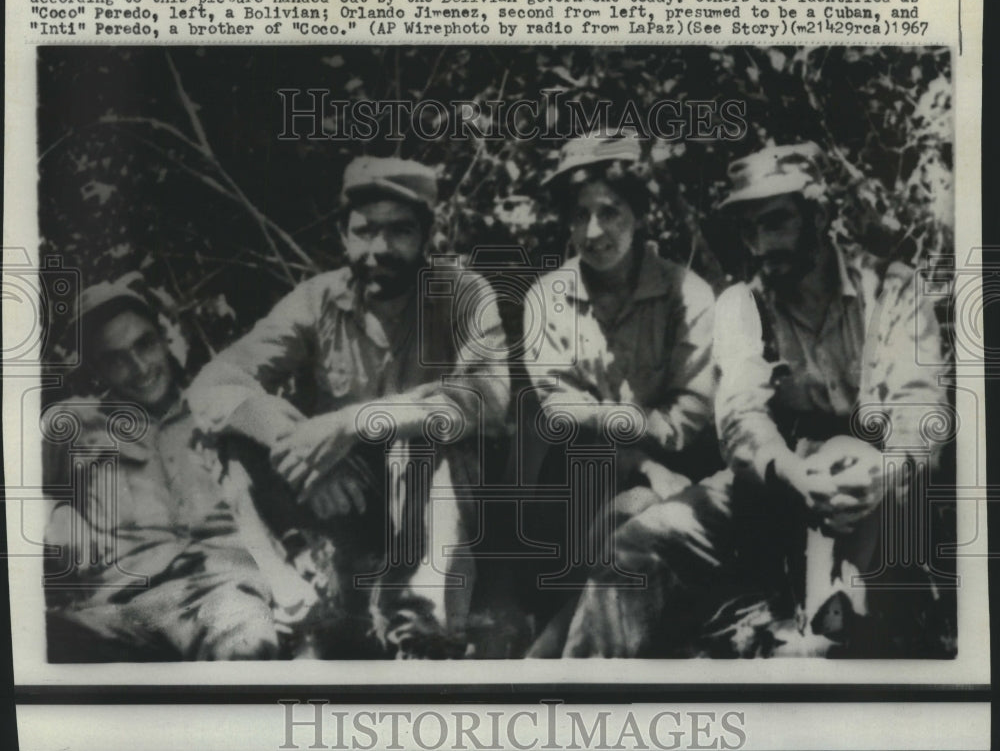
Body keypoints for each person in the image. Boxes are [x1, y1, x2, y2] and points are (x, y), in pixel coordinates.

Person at [564, 142, 952, 658]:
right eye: (748, 230)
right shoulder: (742, 304)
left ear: (821, 214)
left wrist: (886, 470)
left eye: (775, 222)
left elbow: (919, 407)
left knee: (838, 610)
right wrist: (791, 472)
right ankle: (582, 706)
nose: (761, 244)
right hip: (778, 486)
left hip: (880, 496)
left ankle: (830, 639)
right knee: (638, 545)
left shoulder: (893, 291)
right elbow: (742, 416)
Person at [187, 156, 510, 658]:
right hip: (346, 502)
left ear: (427, 236)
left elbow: (488, 396)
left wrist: (354, 422)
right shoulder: (317, 300)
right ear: (343, 236)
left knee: (430, 434)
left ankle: (421, 629)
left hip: (441, 510)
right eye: (365, 231)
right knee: (235, 441)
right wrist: (300, 447)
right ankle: (291, 598)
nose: (380, 249)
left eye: (400, 231)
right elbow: (215, 385)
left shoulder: (463, 293)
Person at [518, 131, 718, 656]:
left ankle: (559, 654)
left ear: (640, 214)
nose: (594, 231)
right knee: (625, 505)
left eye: (610, 211)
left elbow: (690, 415)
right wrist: (642, 451)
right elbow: (559, 408)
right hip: (578, 481)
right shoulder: (547, 298)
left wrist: (621, 430)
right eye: (579, 214)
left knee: (643, 514)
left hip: (679, 468)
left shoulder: (687, 295)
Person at [42, 274, 298, 661]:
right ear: (96, 369)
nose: (140, 366)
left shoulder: (216, 408)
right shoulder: (73, 423)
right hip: (113, 612)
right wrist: (55, 514)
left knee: (245, 650)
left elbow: (297, 457)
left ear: (165, 338)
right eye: (115, 359)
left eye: (144, 344)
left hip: (221, 595)